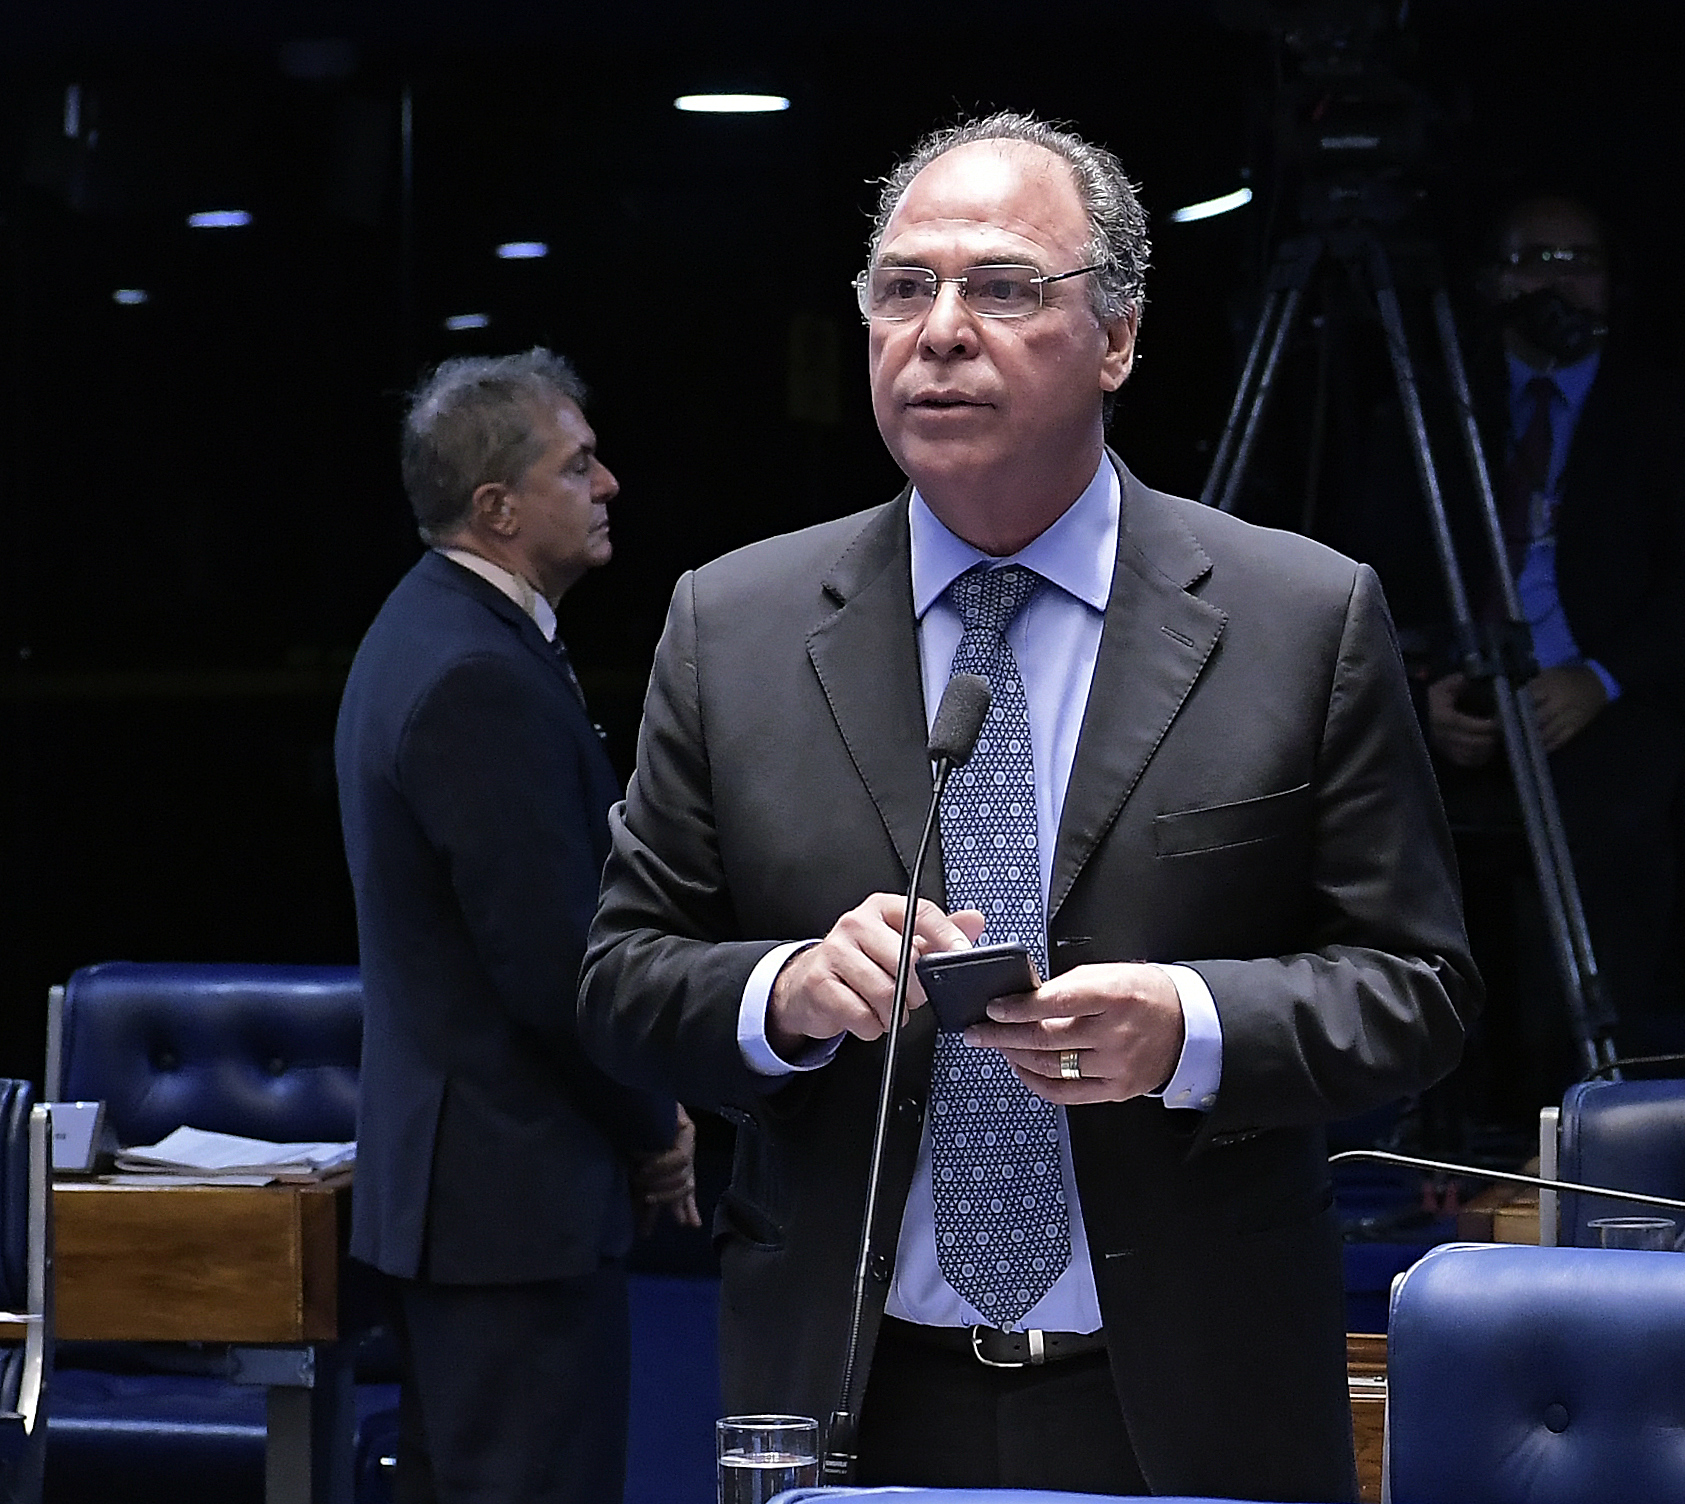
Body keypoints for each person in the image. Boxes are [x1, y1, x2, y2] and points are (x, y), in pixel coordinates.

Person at [577, 113, 1475, 1501]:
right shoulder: (734, 626)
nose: (937, 330)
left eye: (1000, 288)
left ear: (1114, 340)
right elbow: (624, 979)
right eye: (900, 287)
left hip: (1185, 1399)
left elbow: (1415, 990)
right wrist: (790, 992)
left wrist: (1191, 1027)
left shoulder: (1296, 618)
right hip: (853, 1393)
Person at [336, 349, 696, 1504]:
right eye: (576, 464)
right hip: (510, 1206)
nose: (608, 486)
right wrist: (653, 1124)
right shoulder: (472, 674)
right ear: (497, 507)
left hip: (474, 1202)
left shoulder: (428, 629)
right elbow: (552, 965)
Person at [1409, 193, 1685, 1098]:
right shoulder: (1433, 406)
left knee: (1612, 832)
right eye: (1537, 260)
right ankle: (1447, 1122)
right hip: (1464, 697)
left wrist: (1599, 679)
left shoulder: (1672, 414)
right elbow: (1367, 562)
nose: (1558, 283)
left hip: (1606, 699)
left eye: (1581, 262)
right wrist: (1426, 687)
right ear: (1493, 281)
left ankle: (1583, 1108)